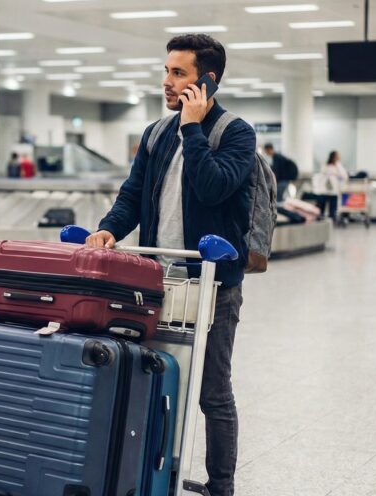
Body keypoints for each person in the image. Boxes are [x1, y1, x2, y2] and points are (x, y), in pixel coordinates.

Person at [85, 34, 254, 496]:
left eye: (179, 73)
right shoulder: (156, 133)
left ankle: (221, 486)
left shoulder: (235, 133)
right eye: (166, 71)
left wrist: (193, 129)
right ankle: (151, 477)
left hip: (213, 285)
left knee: (212, 391)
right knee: (151, 376)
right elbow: (132, 195)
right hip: (157, 281)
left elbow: (213, 187)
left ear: (207, 81)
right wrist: (108, 229)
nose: (167, 81)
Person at [312, 151, 348, 223]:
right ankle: (320, 219)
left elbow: (345, 176)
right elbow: (321, 175)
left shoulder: (338, 166)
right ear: (333, 157)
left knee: (333, 208)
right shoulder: (325, 165)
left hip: (334, 190)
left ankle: (332, 219)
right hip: (323, 190)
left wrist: (337, 172)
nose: (338, 157)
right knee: (321, 207)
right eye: (337, 156)